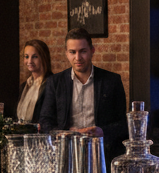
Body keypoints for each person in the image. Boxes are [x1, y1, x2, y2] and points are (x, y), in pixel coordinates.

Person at [38, 28, 129, 163]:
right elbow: (45, 120)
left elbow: (123, 124)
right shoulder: (55, 82)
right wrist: (63, 133)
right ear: (66, 53)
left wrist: (102, 131)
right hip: (66, 154)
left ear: (92, 51)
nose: (78, 57)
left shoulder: (112, 81)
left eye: (83, 51)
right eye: (72, 52)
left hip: (101, 154)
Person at [17, 39, 52, 124]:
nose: (29, 61)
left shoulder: (52, 84)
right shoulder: (24, 86)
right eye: (26, 57)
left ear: (43, 58)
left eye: (35, 57)